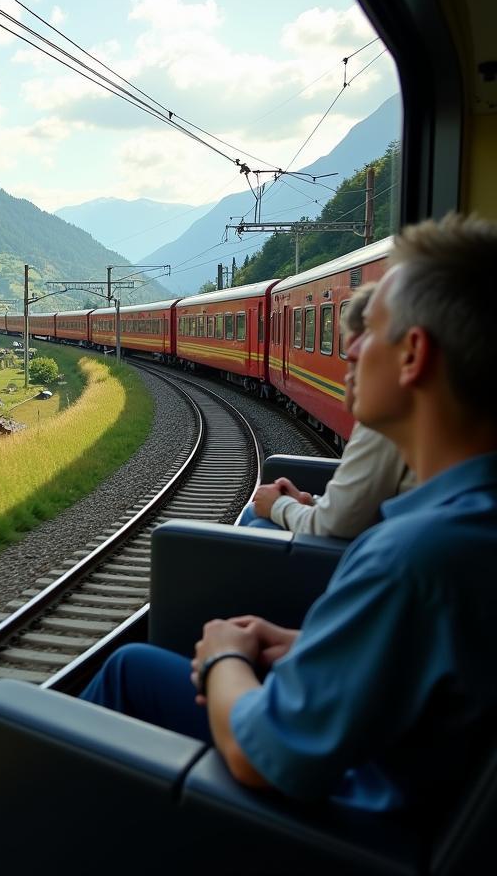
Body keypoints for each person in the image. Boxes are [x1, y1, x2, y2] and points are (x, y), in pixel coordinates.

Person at [81, 214, 497, 813]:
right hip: (410, 791)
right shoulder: (470, 523)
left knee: (127, 672)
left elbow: (261, 755)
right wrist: (308, 645)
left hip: (351, 825)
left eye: (369, 330)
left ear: (413, 356)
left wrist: (224, 655)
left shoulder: (414, 557)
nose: (348, 347)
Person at [238, 282, 415, 538]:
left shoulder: (387, 424)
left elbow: (335, 523)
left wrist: (280, 505)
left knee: (257, 519)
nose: (350, 352)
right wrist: (310, 503)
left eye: (364, 345)